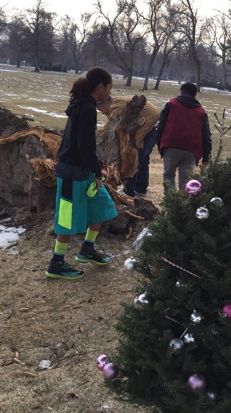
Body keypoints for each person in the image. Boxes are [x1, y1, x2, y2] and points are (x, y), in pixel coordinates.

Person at [45, 67, 118, 280]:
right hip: (72, 173)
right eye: (109, 88)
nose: (110, 93)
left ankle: (87, 249)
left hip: (83, 170)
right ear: (100, 87)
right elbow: (84, 146)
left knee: (103, 207)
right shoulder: (85, 108)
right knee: (66, 220)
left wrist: (96, 169)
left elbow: (86, 147)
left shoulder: (86, 106)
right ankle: (56, 264)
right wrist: (97, 171)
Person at [97, 96, 159, 199]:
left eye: (100, 109)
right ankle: (141, 189)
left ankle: (129, 190)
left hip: (148, 122)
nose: (102, 112)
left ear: (104, 102)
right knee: (143, 158)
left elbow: (114, 129)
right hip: (152, 124)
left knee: (133, 153)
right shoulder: (115, 104)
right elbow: (110, 125)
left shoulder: (114, 107)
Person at [156, 82, 212, 192]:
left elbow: (160, 125)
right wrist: (206, 156)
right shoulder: (201, 111)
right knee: (187, 183)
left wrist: (160, 144)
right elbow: (206, 135)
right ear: (194, 95)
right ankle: (183, 206)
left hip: (171, 144)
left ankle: (170, 203)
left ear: (181, 91)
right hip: (191, 149)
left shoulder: (171, 104)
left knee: (168, 175)